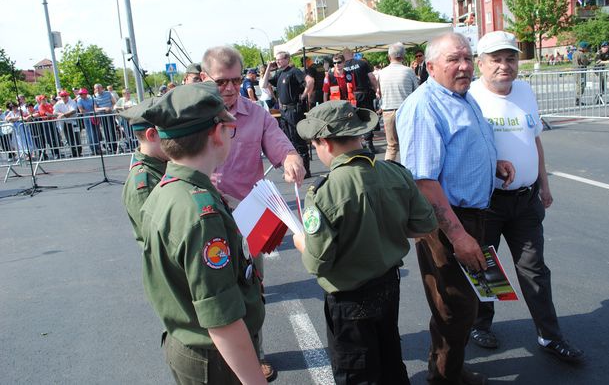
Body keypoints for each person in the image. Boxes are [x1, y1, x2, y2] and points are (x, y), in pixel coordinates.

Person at [396, 32, 515, 385]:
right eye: (453, 60)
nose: (463, 66)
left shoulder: (462, 97)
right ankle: (445, 377)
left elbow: (457, 149)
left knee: (463, 304)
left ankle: (447, 368)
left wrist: (493, 162)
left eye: (467, 57)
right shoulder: (424, 106)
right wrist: (459, 235)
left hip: (471, 215)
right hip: (445, 221)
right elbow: (425, 182)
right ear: (430, 66)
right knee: (455, 306)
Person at [292, 100, 437, 384]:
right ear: (358, 133)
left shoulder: (324, 191)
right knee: (389, 356)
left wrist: (300, 242)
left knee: (356, 369)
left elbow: (318, 261)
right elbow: (425, 224)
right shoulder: (395, 172)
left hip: (349, 299)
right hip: (387, 285)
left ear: (325, 143)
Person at [468, 30, 585, 365]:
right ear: (481, 64)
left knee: (534, 269)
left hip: (526, 200)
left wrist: (544, 184)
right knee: (485, 266)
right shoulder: (470, 96)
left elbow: (534, 141)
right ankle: (480, 323)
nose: (505, 66)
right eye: (496, 59)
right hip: (486, 202)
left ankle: (550, 336)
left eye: (510, 58)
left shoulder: (525, 90)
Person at [139, 82, 266, 385]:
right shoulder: (200, 211)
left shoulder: (169, 189)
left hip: (194, 346)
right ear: (215, 134)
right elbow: (222, 319)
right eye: (228, 129)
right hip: (216, 358)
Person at [201, 45, 306, 382]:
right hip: (203, 219)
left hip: (248, 216)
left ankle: (255, 355)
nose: (230, 88)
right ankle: (215, 358)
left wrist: (291, 160)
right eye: (220, 82)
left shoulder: (257, 114)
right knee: (209, 294)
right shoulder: (194, 116)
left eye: (234, 80)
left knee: (251, 292)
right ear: (204, 79)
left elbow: (279, 145)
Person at [120, 98, 168, 248]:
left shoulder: (161, 165)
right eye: (169, 131)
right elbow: (156, 240)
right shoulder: (144, 182)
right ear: (152, 135)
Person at [261, 50, 312, 177]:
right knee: (288, 141)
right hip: (283, 111)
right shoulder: (279, 73)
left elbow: (310, 81)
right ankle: (296, 169)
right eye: (276, 59)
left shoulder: (293, 71)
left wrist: (304, 95)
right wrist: (268, 67)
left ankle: (305, 170)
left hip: (294, 110)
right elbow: (263, 84)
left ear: (287, 59)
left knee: (298, 141)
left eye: (280, 59)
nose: (277, 61)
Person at [377, 42, 419, 162]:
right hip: (406, 110)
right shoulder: (408, 71)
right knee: (409, 144)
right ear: (403, 56)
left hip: (388, 111)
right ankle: (409, 173)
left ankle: (388, 174)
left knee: (391, 146)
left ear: (389, 56)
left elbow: (380, 93)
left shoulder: (381, 73)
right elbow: (416, 92)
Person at [342, 48, 379, 153]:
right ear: (353, 54)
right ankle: (369, 143)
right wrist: (376, 89)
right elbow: (372, 78)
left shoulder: (342, 67)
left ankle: (358, 143)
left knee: (355, 119)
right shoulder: (362, 63)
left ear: (343, 56)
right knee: (367, 117)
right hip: (364, 94)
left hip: (351, 96)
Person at [53, 90, 82, 157]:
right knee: (69, 138)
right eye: (62, 96)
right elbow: (54, 112)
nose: (64, 97)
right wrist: (59, 114)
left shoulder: (72, 102)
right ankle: (73, 152)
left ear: (68, 95)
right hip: (65, 123)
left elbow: (73, 111)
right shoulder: (58, 103)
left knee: (76, 137)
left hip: (74, 122)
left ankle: (79, 151)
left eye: (65, 95)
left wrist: (63, 115)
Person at [94, 83, 118, 153]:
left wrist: (111, 108)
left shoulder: (108, 94)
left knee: (112, 130)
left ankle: (114, 146)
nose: (98, 89)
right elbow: (95, 109)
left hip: (110, 114)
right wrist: (104, 108)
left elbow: (114, 103)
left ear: (102, 88)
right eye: (96, 88)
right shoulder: (94, 97)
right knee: (106, 131)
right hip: (102, 116)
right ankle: (109, 145)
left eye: (99, 88)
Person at [77, 87, 101, 155]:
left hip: (94, 117)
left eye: (82, 94)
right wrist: (91, 112)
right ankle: (93, 149)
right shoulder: (79, 100)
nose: (81, 95)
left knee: (97, 133)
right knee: (90, 134)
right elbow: (81, 110)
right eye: (80, 94)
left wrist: (93, 111)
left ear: (86, 94)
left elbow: (95, 107)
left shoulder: (92, 99)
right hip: (87, 119)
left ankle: (98, 148)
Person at [572, 41, 591, 106]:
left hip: (576, 71)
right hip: (581, 71)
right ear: (584, 48)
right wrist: (589, 60)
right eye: (586, 48)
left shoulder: (575, 53)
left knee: (578, 85)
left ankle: (578, 99)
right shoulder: (581, 54)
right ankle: (578, 100)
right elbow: (585, 62)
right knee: (582, 85)